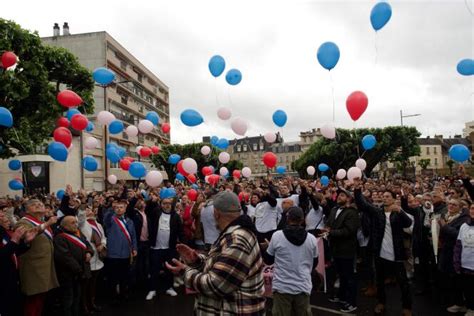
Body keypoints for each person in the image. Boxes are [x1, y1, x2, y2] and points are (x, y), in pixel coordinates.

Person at [166, 191, 266, 315]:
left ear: (216, 214)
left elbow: (216, 285)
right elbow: (220, 264)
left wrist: (184, 271)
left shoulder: (236, 240)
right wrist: (197, 260)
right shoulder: (233, 234)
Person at [354, 178, 413, 316]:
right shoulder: (377, 212)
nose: (384, 198)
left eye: (388, 197)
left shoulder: (397, 213)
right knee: (379, 282)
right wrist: (357, 189)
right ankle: (381, 303)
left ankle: (407, 307)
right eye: (383, 196)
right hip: (380, 253)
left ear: (393, 199)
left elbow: (408, 223)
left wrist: (400, 210)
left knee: (403, 283)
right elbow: (363, 205)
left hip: (396, 254)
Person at [266, 206, 318, 316]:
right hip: (303, 285)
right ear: (303, 220)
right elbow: (315, 263)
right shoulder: (312, 239)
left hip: (282, 287)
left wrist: (267, 247)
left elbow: (268, 259)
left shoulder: (277, 236)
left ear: (287, 218)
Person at [16, 199, 59, 316]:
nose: (39, 205)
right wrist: (47, 224)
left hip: (44, 267)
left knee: (40, 301)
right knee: (33, 302)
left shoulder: (41, 221)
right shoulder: (23, 222)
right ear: (27, 209)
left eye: (40, 204)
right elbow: (27, 235)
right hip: (33, 268)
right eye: (34, 204)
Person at [324, 188, 360, 313]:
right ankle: (341, 296)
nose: (339, 197)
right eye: (339, 195)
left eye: (343, 195)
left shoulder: (352, 212)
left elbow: (349, 231)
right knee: (341, 275)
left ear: (349, 199)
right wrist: (326, 230)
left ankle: (351, 302)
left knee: (349, 276)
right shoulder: (334, 209)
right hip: (335, 248)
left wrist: (331, 232)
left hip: (347, 250)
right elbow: (329, 223)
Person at [145, 196, 184, 300]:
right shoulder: (156, 214)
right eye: (164, 203)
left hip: (169, 248)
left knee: (169, 269)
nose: (167, 205)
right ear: (160, 205)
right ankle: (152, 290)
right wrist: (151, 201)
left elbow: (181, 231)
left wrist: (183, 245)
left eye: (169, 203)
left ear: (172, 205)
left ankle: (169, 288)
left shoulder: (176, 216)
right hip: (156, 248)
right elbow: (147, 210)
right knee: (154, 270)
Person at [54, 215, 94, 316]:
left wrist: (89, 252)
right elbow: (65, 257)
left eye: (76, 222)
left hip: (79, 273)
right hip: (68, 274)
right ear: (64, 225)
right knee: (68, 300)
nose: (76, 224)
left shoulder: (77, 233)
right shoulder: (60, 238)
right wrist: (79, 270)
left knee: (77, 298)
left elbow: (87, 245)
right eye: (73, 223)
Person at [0, 208, 37, 316]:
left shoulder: (3, 232)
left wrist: (25, 242)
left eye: (3, 214)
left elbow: (14, 252)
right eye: (1, 216)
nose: (3, 216)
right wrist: (14, 241)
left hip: (11, 278)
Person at [438, 198, 470, 313]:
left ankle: (462, 303)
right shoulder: (446, 216)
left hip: (456, 253)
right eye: (449, 204)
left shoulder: (464, 220)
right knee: (449, 278)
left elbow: (458, 234)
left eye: (454, 205)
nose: (450, 206)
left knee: (457, 280)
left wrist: (444, 226)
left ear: (460, 208)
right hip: (445, 251)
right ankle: (455, 301)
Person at [103, 199, 137, 302]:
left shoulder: (129, 221)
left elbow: (133, 236)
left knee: (124, 277)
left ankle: (123, 294)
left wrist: (134, 248)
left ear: (125, 209)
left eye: (121, 207)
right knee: (113, 278)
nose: (119, 209)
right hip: (113, 254)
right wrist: (111, 208)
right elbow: (106, 218)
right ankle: (113, 297)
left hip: (126, 254)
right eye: (117, 207)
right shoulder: (110, 220)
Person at [79, 205, 106, 313]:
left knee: (93, 284)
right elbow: (80, 217)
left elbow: (104, 237)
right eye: (87, 210)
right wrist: (82, 206)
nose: (89, 211)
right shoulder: (82, 223)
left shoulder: (98, 224)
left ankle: (92, 302)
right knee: (85, 284)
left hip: (98, 257)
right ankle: (84, 305)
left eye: (91, 209)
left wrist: (103, 245)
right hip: (87, 256)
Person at [454, 202, 474, 316]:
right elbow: (458, 245)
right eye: (472, 208)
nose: (473, 211)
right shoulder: (464, 226)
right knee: (466, 287)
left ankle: (472, 308)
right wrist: (457, 261)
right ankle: (467, 305)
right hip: (465, 263)